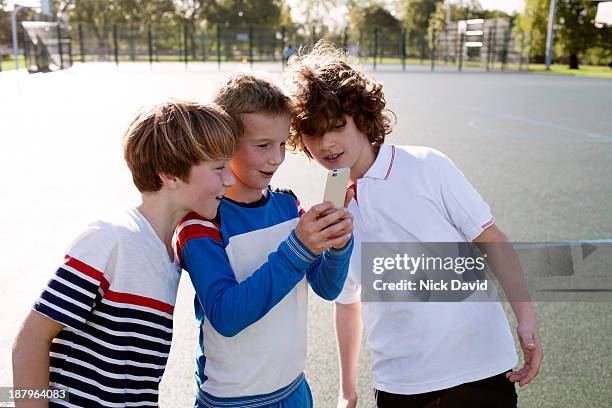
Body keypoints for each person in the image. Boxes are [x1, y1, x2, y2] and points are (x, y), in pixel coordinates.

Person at [284, 43, 543, 408]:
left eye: (338, 126)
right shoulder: (331, 213)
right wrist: (347, 388)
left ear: (361, 116)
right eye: (312, 133)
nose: (326, 143)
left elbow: (491, 238)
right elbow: (347, 301)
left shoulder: (427, 167)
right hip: (401, 384)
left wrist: (525, 316)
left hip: (480, 369)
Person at [12, 101, 237, 407]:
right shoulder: (111, 240)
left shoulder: (169, 257)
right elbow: (30, 340)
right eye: (219, 167)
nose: (230, 179)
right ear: (170, 175)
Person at [175, 71, 354, 408]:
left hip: (294, 391)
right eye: (263, 146)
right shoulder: (200, 223)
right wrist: (298, 249)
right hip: (233, 401)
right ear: (224, 144)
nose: (277, 157)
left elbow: (327, 288)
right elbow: (227, 316)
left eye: (283, 144)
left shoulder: (288, 206)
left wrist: (339, 246)